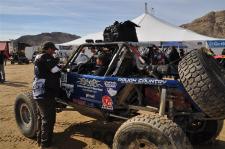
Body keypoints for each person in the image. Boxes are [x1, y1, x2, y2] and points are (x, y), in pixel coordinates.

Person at [33, 41, 61, 149]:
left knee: (42, 118)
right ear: (48, 49)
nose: (54, 51)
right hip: (45, 92)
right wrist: (59, 66)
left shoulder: (38, 56)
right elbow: (55, 70)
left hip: (39, 91)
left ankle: (40, 140)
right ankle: (45, 145)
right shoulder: (46, 57)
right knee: (48, 120)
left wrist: (56, 63)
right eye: (53, 49)